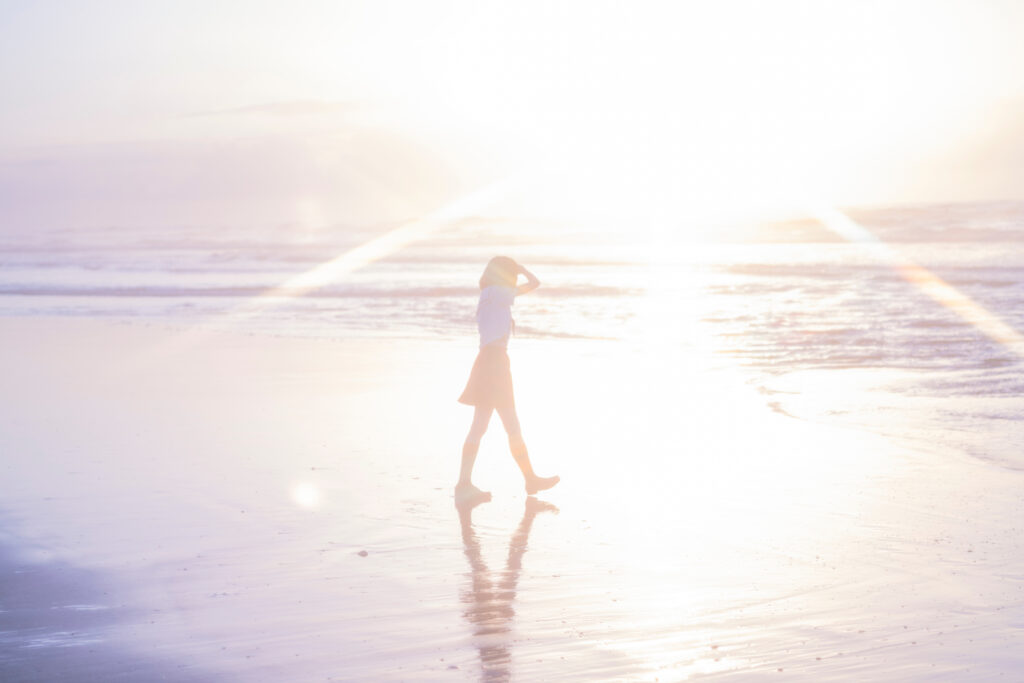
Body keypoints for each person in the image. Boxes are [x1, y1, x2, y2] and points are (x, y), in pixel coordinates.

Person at [455, 256, 559, 502]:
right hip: (495, 364)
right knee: (506, 426)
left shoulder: (489, 294)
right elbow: (535, 283)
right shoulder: (498, 292)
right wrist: (522, 269)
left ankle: (467, 485)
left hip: (490, 361)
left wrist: (516, 269)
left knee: (484, 427)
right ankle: (526, 479)